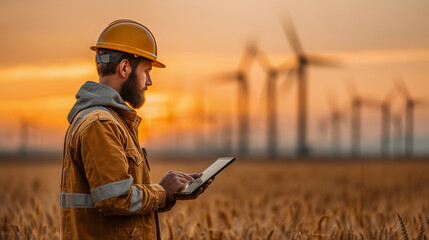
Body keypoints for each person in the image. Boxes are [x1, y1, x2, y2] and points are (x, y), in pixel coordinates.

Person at [60, 19, 212, 240]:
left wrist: (169, 193)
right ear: (124, 68)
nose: (149, 81)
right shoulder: (101, 124)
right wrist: (161, 191)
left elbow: (121, 201)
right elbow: (115, 200)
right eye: (147, 71)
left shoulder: (111, 121)